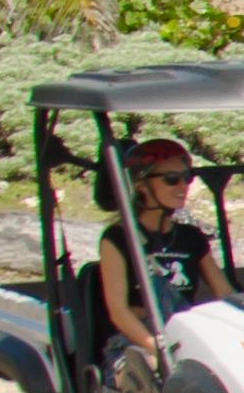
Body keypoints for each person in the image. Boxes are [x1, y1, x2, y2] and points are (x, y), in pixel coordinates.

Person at [90, 137, 222, 363]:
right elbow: (119, 312)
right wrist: (158, 349)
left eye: (187, 178)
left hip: (183, 336)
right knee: (154, 372)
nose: (183, 186)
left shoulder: (191, 237)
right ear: (141, 184)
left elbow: (224, 291)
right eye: (172, 179)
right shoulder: (118, 238)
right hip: (135, 343)